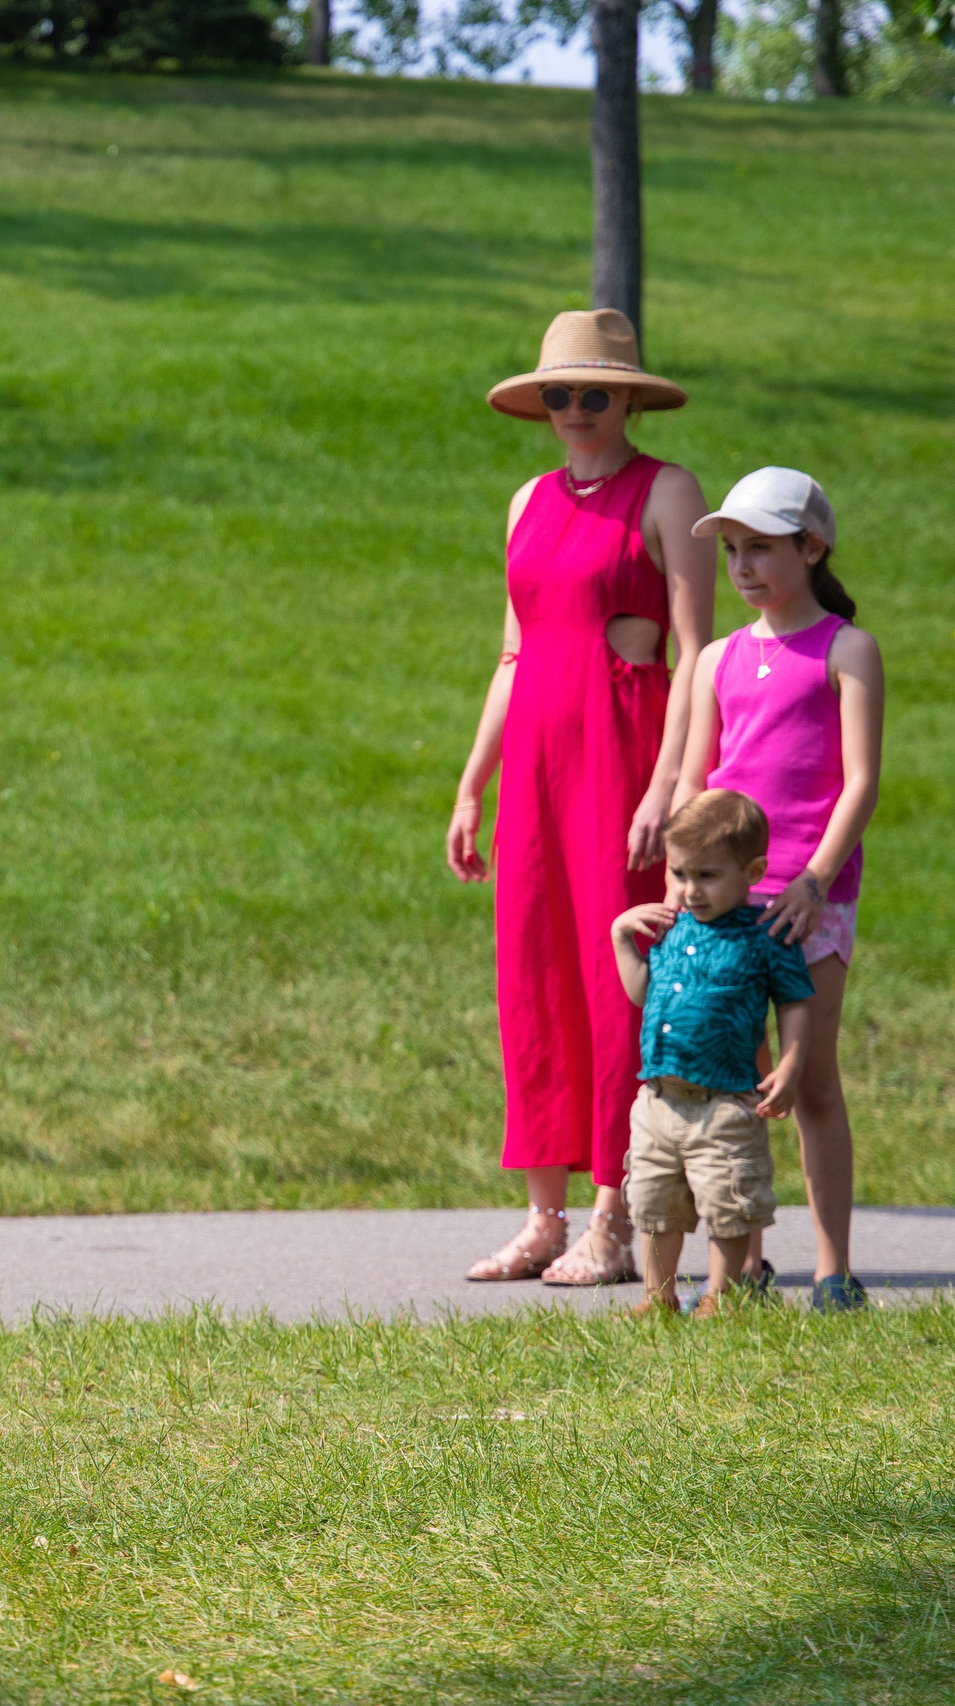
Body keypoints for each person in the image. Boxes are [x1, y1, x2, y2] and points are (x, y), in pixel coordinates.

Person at [450, 309, 715, 1286]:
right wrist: (471, 785)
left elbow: (696, 649)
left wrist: (672, 780)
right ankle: (541, 1213)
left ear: (629, 398)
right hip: (535, 761)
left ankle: (613, 1212)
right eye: (558, 394)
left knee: (617, 976)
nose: (574, 410)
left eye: (593, 393)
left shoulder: (666, 488)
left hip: (622, 752)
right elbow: (512, 652)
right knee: (531, 968)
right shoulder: (526, 499)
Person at [674, 468, 884, 1313]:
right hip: (724, 904)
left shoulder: (846, 648)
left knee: (812, 1081)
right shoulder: (720, 657)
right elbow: (696, 784)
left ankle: (833, 1270)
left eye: (760, 546)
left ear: (811, 545)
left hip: (809, 900)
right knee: (734, 1080)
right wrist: (677, 892)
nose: (744, 566)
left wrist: (813, 881)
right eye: (732, 550)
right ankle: (745, 1266)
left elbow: (861, 782)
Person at [610, 791, 814, 1318]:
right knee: (654, 1204)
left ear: (753, 871)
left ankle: (724, 1296)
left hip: (724, 1101)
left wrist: (789, 1065)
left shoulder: (767, 936)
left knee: (728, 1203)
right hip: (658, 1098)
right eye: (679, 874)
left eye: (706, 875)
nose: (689, 890)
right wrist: (622, 941)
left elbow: (794, 1002)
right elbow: (644, 994)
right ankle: (658, 1299)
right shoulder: (673, 928)